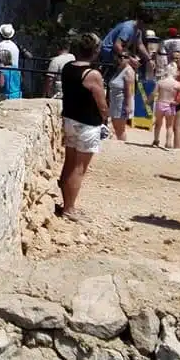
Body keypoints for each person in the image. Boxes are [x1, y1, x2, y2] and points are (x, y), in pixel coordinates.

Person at [58, 33, 109, 221]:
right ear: (95, 52)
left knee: (69, 163)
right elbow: (102, 104)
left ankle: (65, 203)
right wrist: (106, 118)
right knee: (79, 168)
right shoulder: (92, 74)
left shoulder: (67, 68)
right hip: (87, 124)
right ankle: (69, 209)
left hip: (70, 119)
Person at [100, 14, 151, 79]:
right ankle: (115, 83)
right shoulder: (128, 28)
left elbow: (140, 45)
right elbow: (117, 46)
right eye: (146, 25)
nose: (146, 28)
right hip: (108, 51)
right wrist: (129, 58)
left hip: (118, 52)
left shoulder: (138, 30)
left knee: (137, 62)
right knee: (131, 65)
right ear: (140, 21)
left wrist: (149, 59)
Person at [150, 64, 180, 149]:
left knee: (158, 124)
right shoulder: (177, 84)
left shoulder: (160, 82)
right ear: (175, 72)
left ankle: (156, 140)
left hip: (160, 103)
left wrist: (148, 101)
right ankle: (168, 142)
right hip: (170, 105)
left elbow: (154, 93)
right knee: (169, 126)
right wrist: (177, 102)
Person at [107, 53, 136, 141]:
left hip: (122, 103)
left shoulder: (128, 71)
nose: (122, 58)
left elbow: (129, 90)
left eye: (125, 57)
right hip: (114, 102)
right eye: (120, 56)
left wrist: (128, 105)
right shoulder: (119, 69)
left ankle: (122, 146)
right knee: (116, 127)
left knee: (120, 129)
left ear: (129, 59)